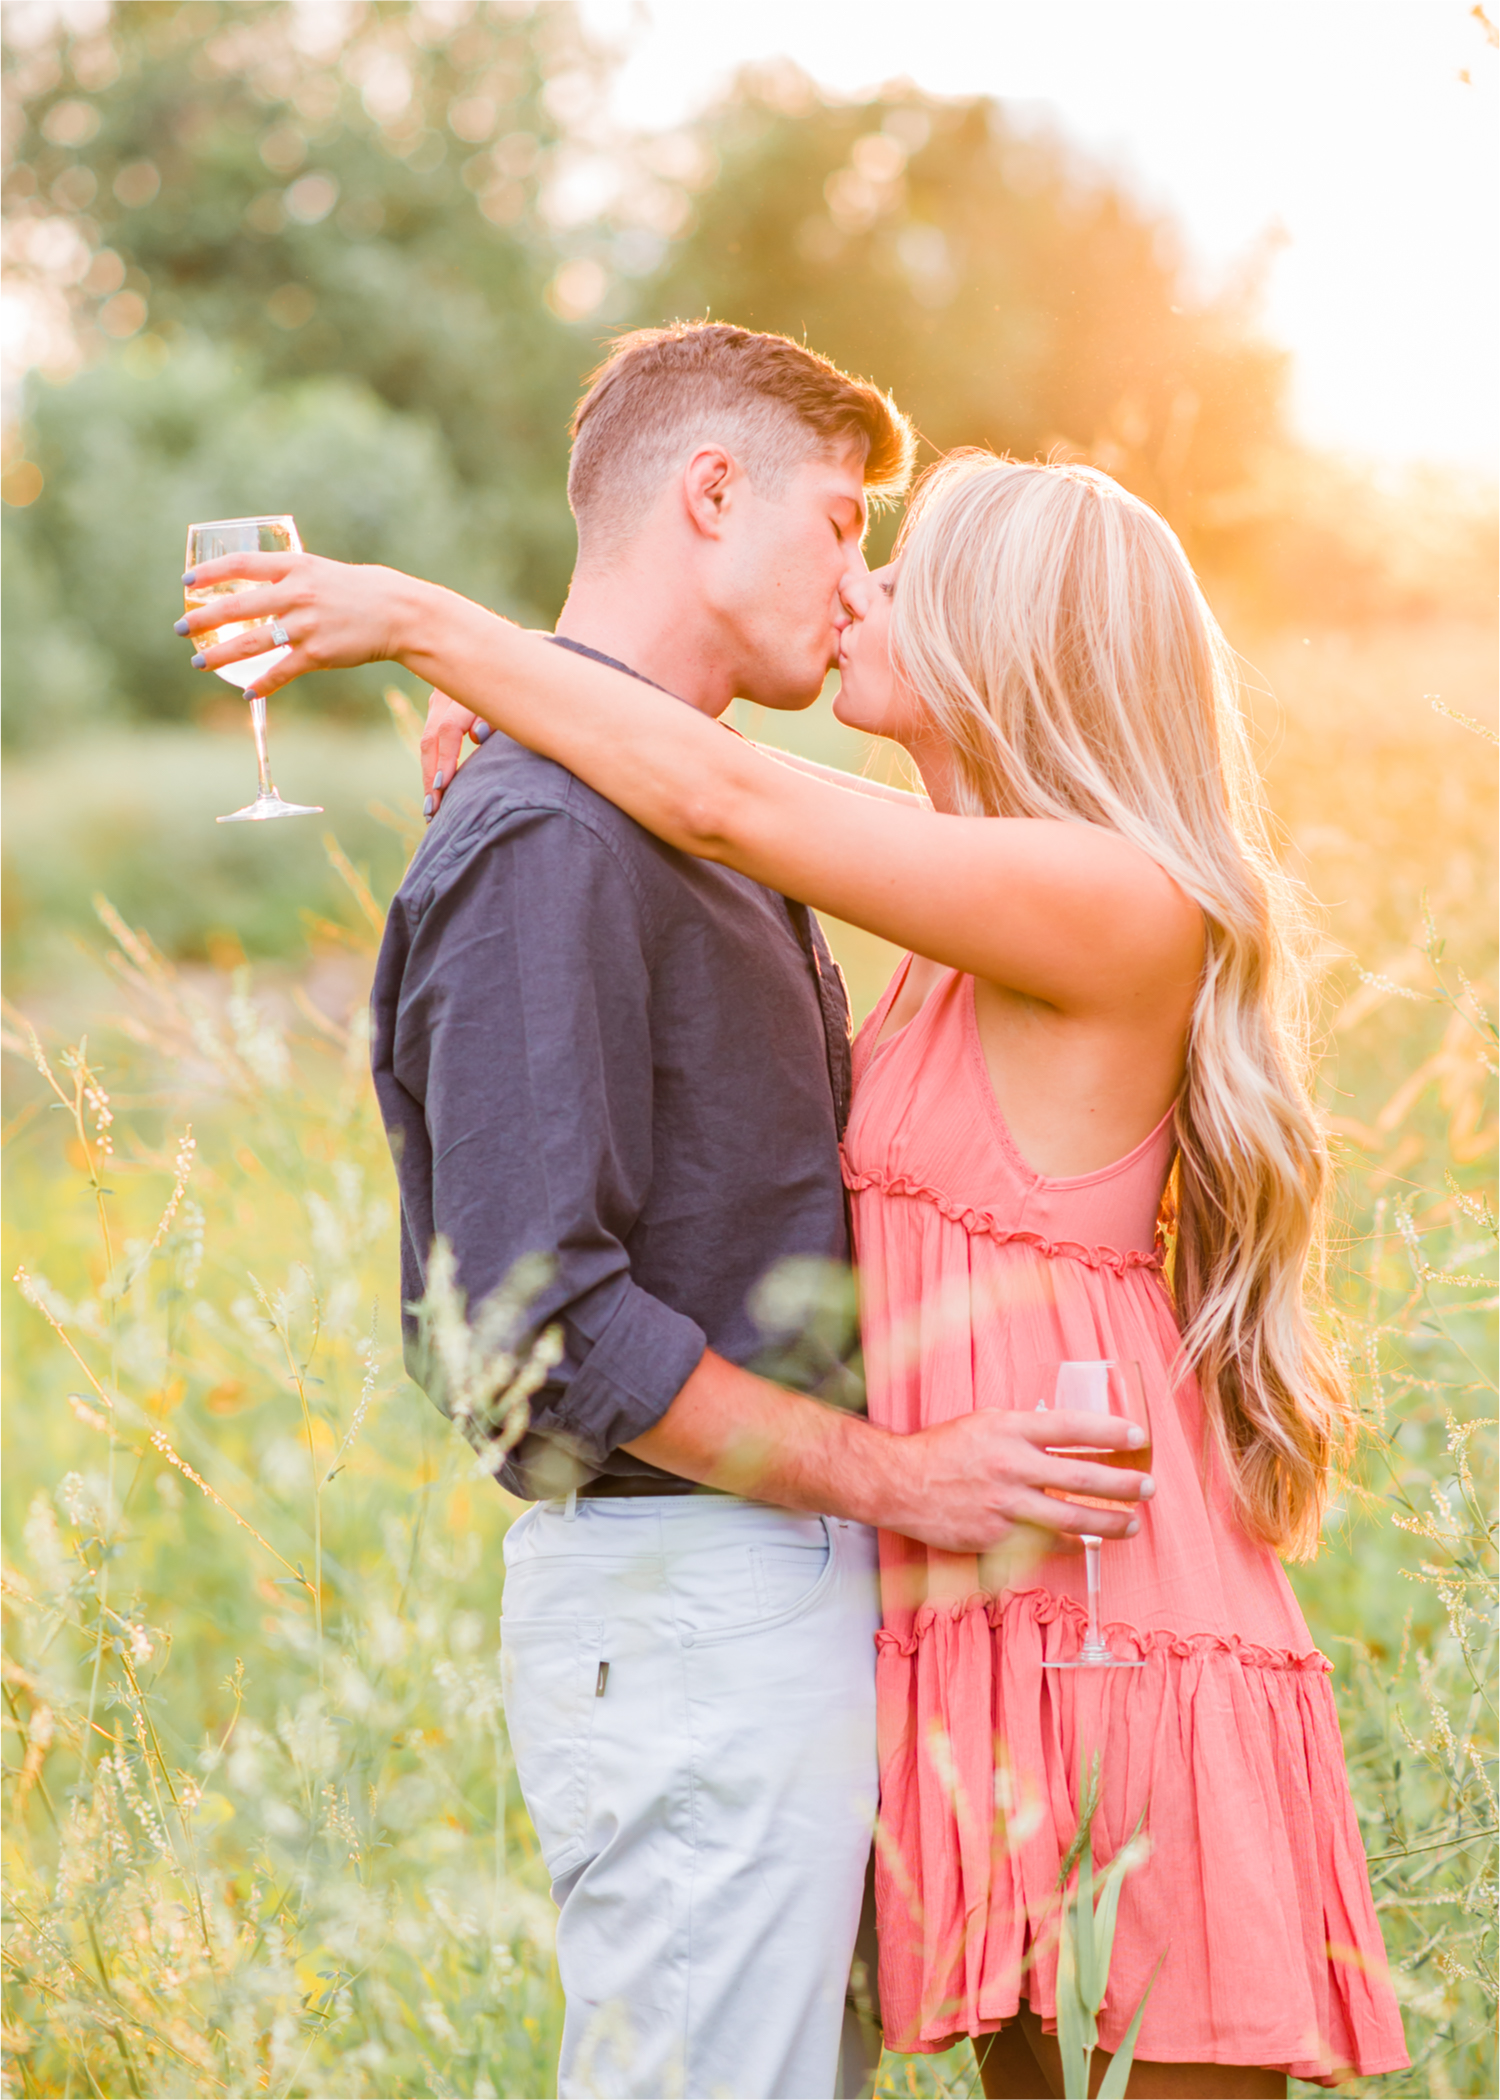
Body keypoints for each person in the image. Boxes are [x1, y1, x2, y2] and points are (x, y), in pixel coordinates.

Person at [178, 325, 1157, 2100]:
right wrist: (904, 1479)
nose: (858, 583)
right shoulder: (554, 834)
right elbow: (534, 1333)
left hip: (779, 1594)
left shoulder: (674, 809)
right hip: (694, 1595)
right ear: (713, 495)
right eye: (844, 525)